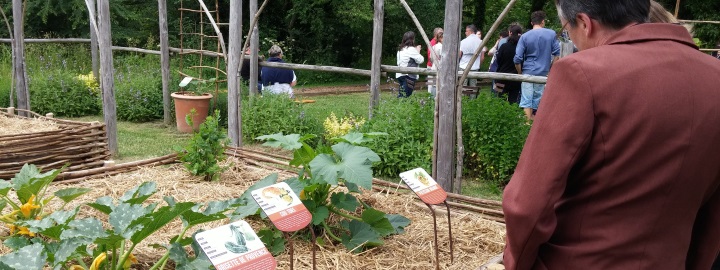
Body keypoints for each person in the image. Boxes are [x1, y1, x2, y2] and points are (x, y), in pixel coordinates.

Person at [502, 0, 720, 269]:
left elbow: (527, 204)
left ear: (584, 22)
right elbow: (714, 209)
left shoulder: (582, 73)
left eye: (567, 29)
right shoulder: (714, 76)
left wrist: (517, 263)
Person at [513, 11, 560, 120]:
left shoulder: (524, 36)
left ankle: (526, 125)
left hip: (528, 71)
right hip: (543, 72)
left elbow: (517, 59)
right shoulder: (551, 34)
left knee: (526, 100)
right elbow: (557, 54)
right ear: (543, 21)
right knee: (537, 100)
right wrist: (550, 69)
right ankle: (534, 125)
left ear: (531, 22)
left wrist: (520, 73)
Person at [495, 24, 523, 104]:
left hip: (501, 77)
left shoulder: (504, 46)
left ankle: (499, 115)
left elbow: (498, 60)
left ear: (510, 33)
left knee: (500, 99)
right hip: (516, 78)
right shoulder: (521, 48)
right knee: (513, 101)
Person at [395, 31, 424, 98]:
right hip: (409, 76)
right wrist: (418, 51)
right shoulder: (411, 49)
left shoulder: (400, 49)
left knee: (402, 94)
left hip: (400, 75)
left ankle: (399, 107)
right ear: (412, 39)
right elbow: (421, 60)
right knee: (405, 96)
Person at [427, 28, 443, 95]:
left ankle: (432, 98)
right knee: (437, 84)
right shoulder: (441, 47)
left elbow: (431, 58)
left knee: (433, 84)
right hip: (439, 67)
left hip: (433, 66)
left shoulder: (434, 46)